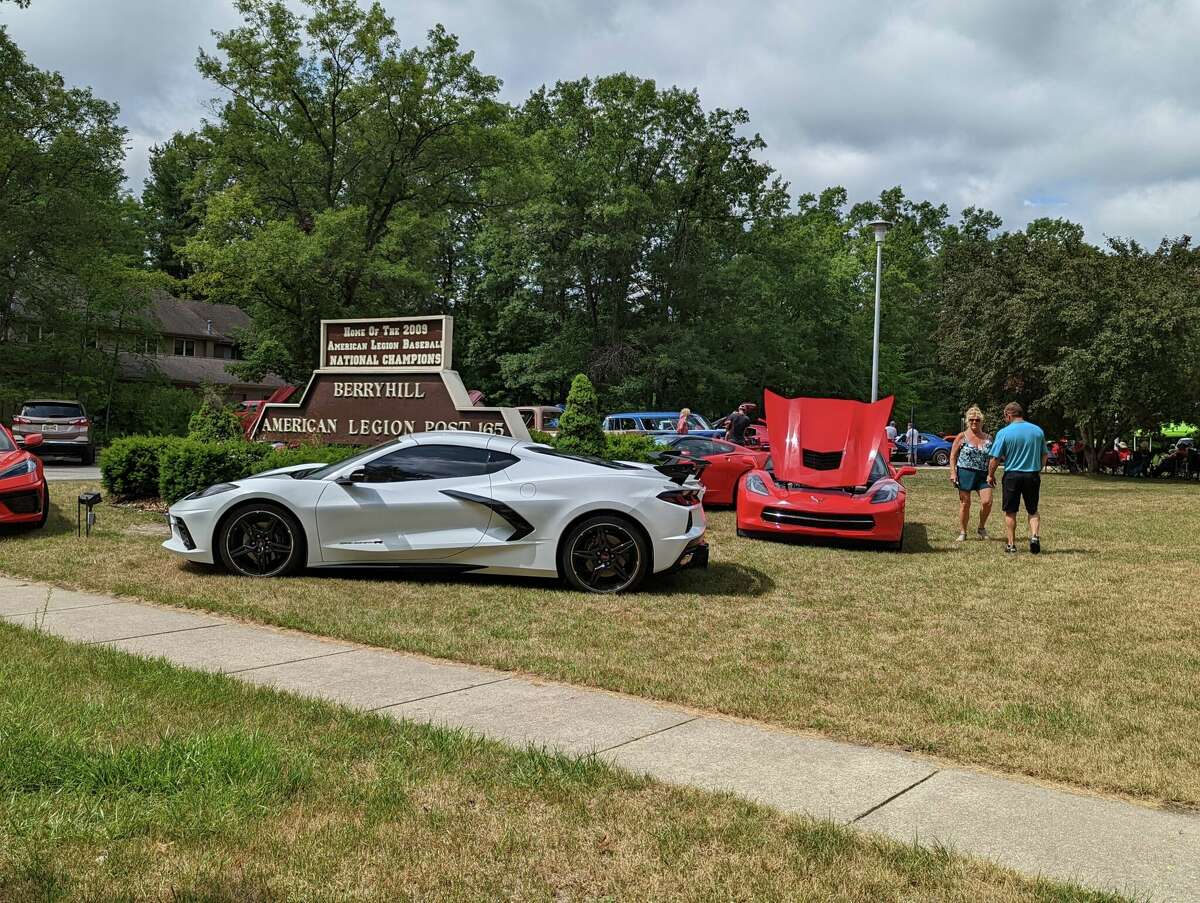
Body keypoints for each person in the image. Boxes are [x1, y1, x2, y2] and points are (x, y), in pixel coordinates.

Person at [986, 402, 1048, 554]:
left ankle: (1011, 545)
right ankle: (1034, 536)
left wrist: (990, 475)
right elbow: (1045, 454)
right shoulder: (1037, 431)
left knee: (1010, 511)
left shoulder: (1004, 432)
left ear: (1008, 415)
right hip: (1032, 474)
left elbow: (995, 458)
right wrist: (1037, 469)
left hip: (1012, 475)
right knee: (1032, 509)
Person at [949, 405, 993, 542]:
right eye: (972, 420)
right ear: (968, 421)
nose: (974, 422)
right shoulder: (962, 436)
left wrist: (991, 473)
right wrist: (953, 473)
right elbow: (952, 456)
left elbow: (993, 457)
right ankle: (963, 531)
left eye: (977, 420)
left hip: (983, 475)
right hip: (965, 472)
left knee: (987, 502)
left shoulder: (988, 438)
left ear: (982, 421)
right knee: (965, 503)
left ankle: (981, 527)